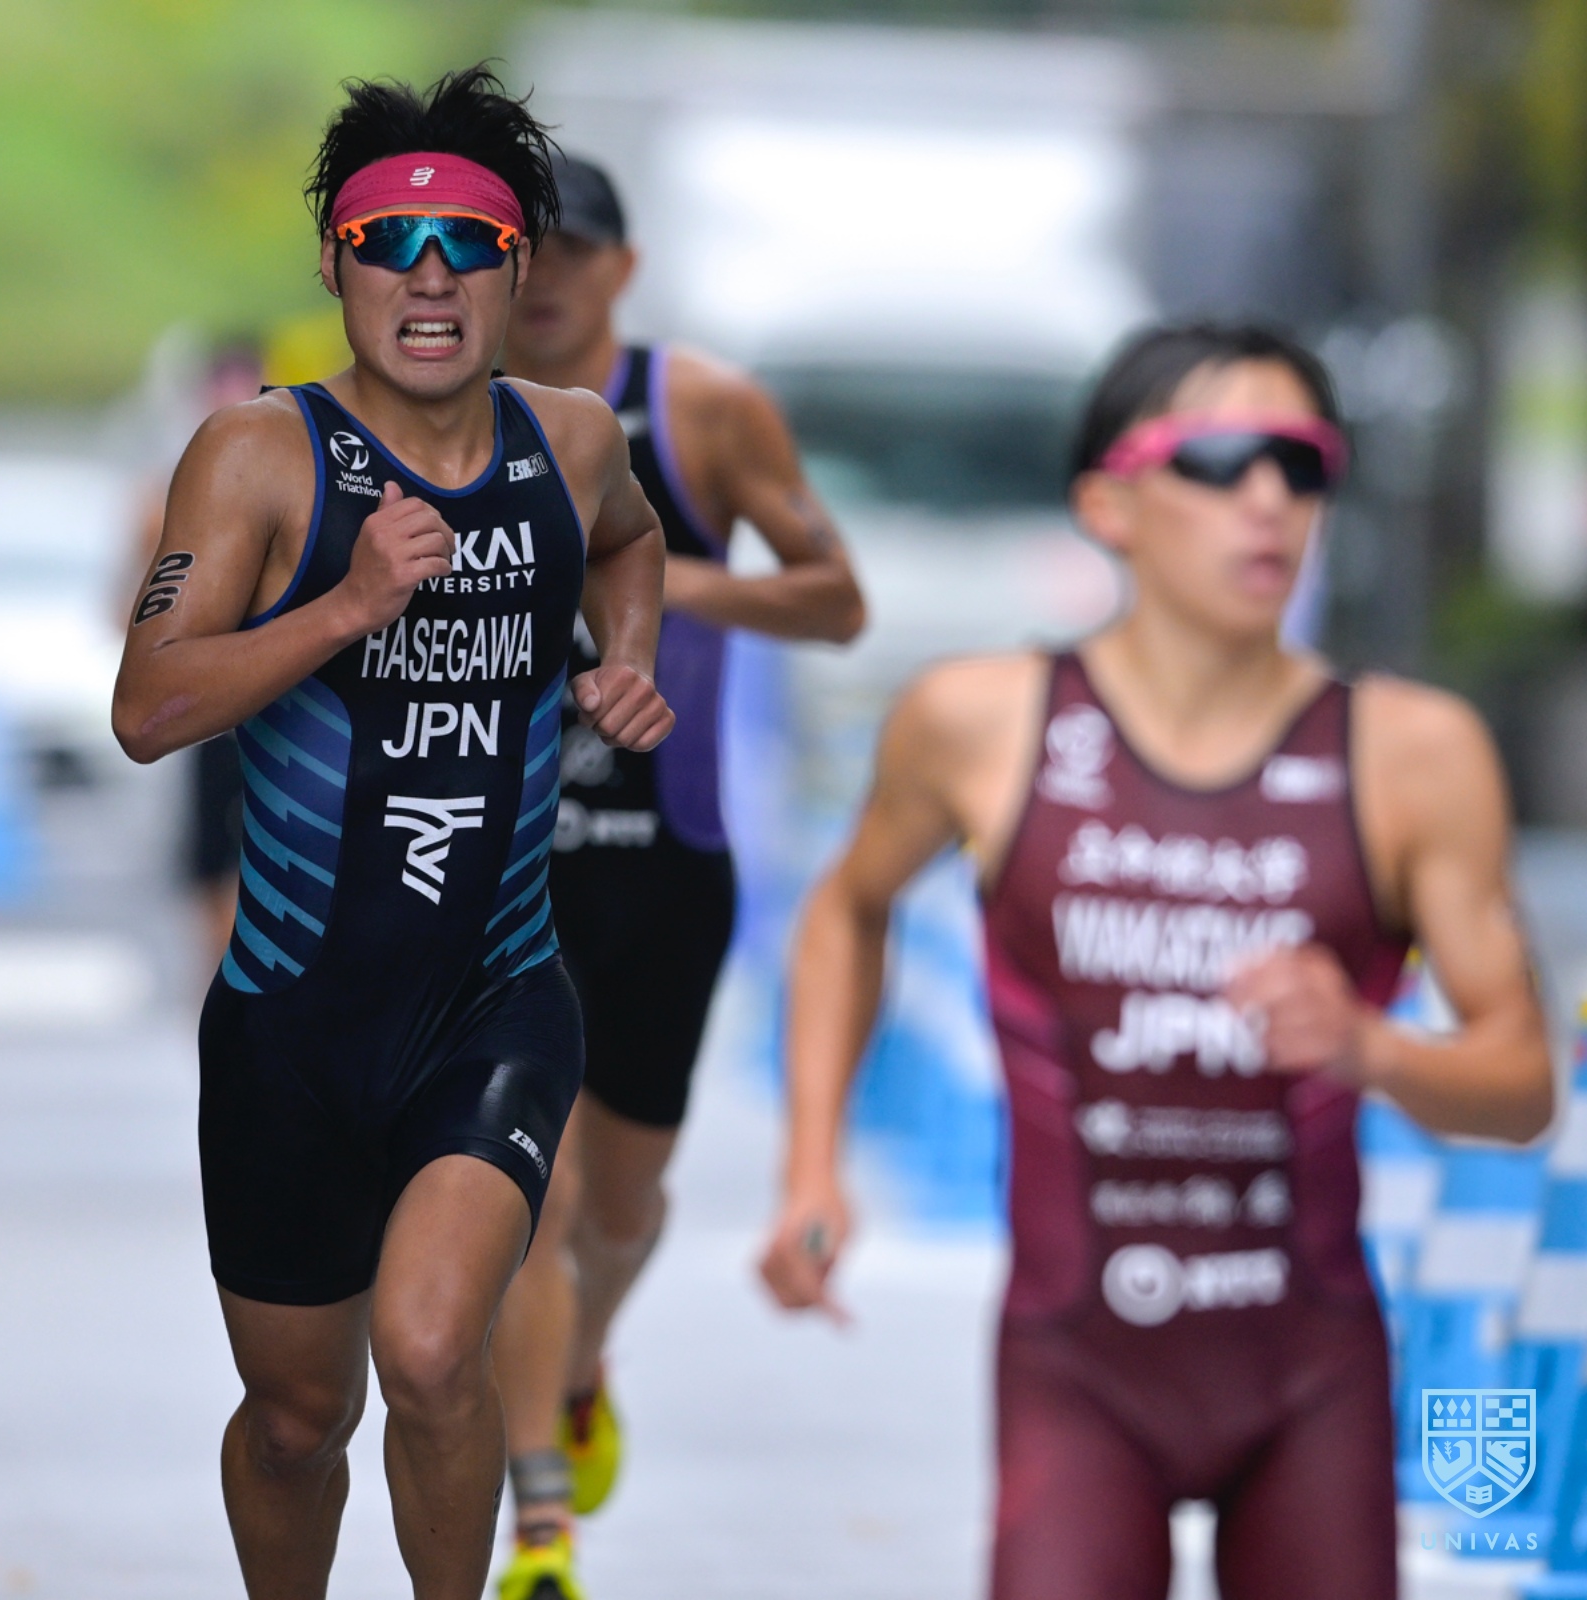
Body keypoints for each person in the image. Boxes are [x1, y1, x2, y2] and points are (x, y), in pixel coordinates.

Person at [757, 320, 1554, 1600]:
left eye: (1302, 464)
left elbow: (1522, 1087)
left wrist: (1370, 1046)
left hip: (1308, 1374)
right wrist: (812, 1163)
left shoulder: (1412, 753)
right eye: (1222, 459)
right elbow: (846, 910)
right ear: (1107, 504)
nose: (1267, 499)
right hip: (1078, 1369)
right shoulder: (981, 721)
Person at [110, 67, 674, 1600]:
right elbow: (149, 707)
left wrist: (623, 660)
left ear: (517, 268)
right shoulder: (257, 458)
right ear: (333, 263)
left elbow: (630, 541)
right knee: (301, 1418)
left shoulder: (570, 442)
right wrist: (349, 603)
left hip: (492, 1004)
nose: (429, 276)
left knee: (430, 1353)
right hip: (291, 1025)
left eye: (468, 242)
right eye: (389, 242)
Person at [484, 153, 864, 1598]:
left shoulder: (700, 410)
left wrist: (655, 580)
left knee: (620, 1207)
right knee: (533, 1197)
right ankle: (541, 1532)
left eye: (576, 250)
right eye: (526, 249)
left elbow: (837, 599)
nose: (549, 277)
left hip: (665, 863)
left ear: (624, 269)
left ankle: (579, 1368)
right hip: (500, 874)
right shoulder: (442, 408)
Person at [126, 338, 269, 968]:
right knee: (214, 884)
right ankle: (220, 1008)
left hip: (278, 710)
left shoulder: (301, 477)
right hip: (212, 724)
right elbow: (128, 618)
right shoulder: (169, 496)